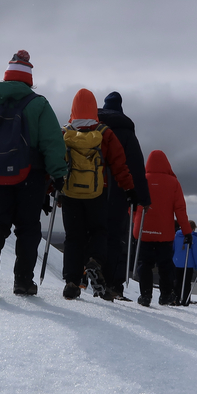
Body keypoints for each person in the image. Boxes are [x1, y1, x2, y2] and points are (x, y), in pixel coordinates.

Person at [0, 50, 67, 296]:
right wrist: (58, 173)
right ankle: (22, 281)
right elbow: (52, 143)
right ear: (29, 80)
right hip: (30, 174)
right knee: (28, 227)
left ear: (6, 77)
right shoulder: (38, 104)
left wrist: (0, 151)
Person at [60, 88, 136, 301]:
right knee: (98, 231)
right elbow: (120, 165)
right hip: (97, 192)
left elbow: (55, 163)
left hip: (70, 194)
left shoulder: (65, 133)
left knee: (73, 237)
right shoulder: (104, 133)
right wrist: (129, 188)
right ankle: (94, 260)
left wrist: (51, 189)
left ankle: (72, 282)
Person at [97, 91, 151, 300]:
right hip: (118, 193)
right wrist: (143, 199)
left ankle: (86, 276)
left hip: (90, 190)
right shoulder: (127, 133)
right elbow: (136, 168)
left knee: (94, 233)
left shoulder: (92, 128)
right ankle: (112, 284)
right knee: (115, 238)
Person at [132, 150, 191, 306]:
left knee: (144, 264)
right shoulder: (173, 183)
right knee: (165, 264)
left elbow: (131, 205)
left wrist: (136, 220)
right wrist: (187, 231)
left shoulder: (141, 180)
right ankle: (165, 294)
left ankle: (145, 295)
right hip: (164, 232)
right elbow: (180, 210)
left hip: (143, 230)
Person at [172, 221, 197, 306]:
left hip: (176, 263)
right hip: (188, 264)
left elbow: (173, 248)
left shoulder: (177, 236)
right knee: (186, 283)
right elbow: (196, 254)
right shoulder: (193, 238)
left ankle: (175, 299)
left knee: (177, 281)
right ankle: (185, 300)